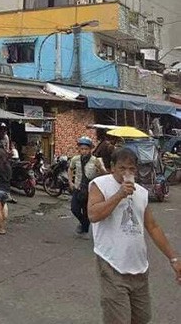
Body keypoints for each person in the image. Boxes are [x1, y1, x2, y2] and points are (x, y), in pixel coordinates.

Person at [88, 147, 181, 324]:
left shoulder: (142, 192)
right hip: (112, 264)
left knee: (141, 318)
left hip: (139, 267)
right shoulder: (100, 185)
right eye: (122, 168)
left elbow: (152, 226)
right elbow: (93, 214)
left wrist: (173, 258)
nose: (127, 173)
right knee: (119, 320)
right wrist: (120, 194)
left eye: (131, 169)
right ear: (112, 167)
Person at [68, 136, 106, 236]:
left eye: (86, 149)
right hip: (77, 188)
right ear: (79, 149)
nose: (84, 151)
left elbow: (103, 174)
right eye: (82, 149)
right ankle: (84, 224)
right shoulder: (75, 159)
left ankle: (84, 228)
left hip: (90, 190)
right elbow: (70, 169)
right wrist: (70, 182)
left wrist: (100, 169)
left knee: (86, 211)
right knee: (74, 209)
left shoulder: (95, 160)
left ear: (90, 149)